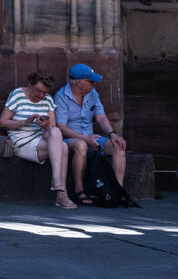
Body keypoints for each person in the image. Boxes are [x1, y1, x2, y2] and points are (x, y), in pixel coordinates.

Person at [53, 63, 127, 205]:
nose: (94, 84)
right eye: (91, 82)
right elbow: (62, 128)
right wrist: (86, 139)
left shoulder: (93, 93)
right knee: (81, 145)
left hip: (91, 138)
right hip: (72, 139)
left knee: (118, 146)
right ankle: (79, 191)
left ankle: (118, 190)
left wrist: (112, 134)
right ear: (80, 83)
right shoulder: (61, 96)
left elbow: (101, 117)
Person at [0, 70, 74, 209]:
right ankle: (61, 194)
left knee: (55, 131)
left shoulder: (48, 99)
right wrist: (25, 122)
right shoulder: (17, 94)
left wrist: (46, 126)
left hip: (41, 137)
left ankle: (57, 182)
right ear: (30, 84)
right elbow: (2, 122)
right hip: (22, 140)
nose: (41, 95)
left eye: (45, 92)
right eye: (39, 91)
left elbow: (53, 128)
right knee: (63, 147)